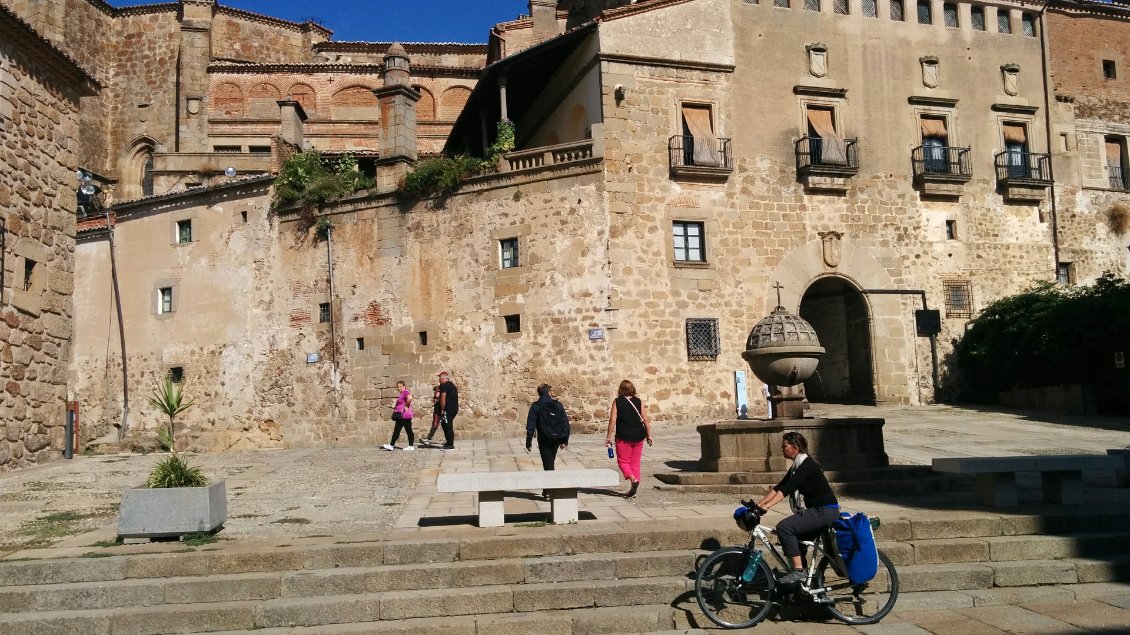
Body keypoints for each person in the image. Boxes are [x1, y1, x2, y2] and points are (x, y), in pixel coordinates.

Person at [749, 431, 839, 585]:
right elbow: (779, 487)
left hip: (825, 511)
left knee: (784, 528)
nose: (781, 449)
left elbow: (787, 489)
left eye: (784, 446)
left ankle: (799, 572)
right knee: (795, 541)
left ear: (795, 448)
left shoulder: (807, 465)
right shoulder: (797, 465)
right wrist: (759, 505)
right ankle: (807, 585)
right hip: (818, 511)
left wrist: (768, 506)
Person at [604, 379, 652, 498]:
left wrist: (608, 437)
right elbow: (645, 419)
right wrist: (649, 435)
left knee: (623, 461)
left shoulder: (617, 402)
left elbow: (613, 420)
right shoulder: (638, 401)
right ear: (632, 389)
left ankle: (632, 479)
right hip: (638, 435)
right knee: (635, 463)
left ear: (620, 389)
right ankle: (633, 487)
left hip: (623, 436)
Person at [526, 384, 569, 487]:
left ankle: (549, 490)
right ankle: (547, 490)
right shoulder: (558, 405)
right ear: (549, 392)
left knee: (548, 463)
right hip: (557, 438)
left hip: (544, 438)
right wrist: (564, 440)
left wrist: (528, 442)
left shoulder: (536, 406)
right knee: (550, 462)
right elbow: (565, 423)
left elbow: (530, 426)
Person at [381, 381, 414, 451]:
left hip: (403, 415)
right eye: (398, 387)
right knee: (408, 430)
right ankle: (410, 446)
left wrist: (406, 406)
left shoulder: (405, 392)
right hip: (404, 415)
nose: (399, 388)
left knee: (397, 430)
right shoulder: (402, 394)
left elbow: (410, 398)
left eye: (400, 387)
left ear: (404, 386)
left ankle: (391, 445)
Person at [436, 371, 459, 450]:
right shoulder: (452, 385)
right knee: (444, 424)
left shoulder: (444, 385)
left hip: (448, 409)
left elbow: (443, 398)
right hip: (454, 409)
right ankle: (448, 442)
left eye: (439, 378)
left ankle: (450, 445)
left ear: (443, 378)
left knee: (448, 426)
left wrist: (442, 409)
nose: (439, 380)